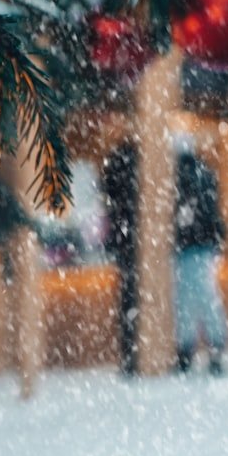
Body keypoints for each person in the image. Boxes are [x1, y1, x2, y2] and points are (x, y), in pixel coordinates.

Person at [173, 151, 228, 374]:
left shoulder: (183, 177)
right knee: (205, 299)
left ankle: (188, 351)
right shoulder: (204, 174)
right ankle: (212, 349)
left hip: (190, 248)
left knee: (188, 302)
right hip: (202, 248)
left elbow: (189, 215)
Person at [102, 143, 139, 376]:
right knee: (133, 300)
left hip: (125, 243)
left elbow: (108, 197)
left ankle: (130, 356)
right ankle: (134, 354)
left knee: (128, 301)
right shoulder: (138, 165)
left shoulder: (115, 167)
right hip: (135, 243)